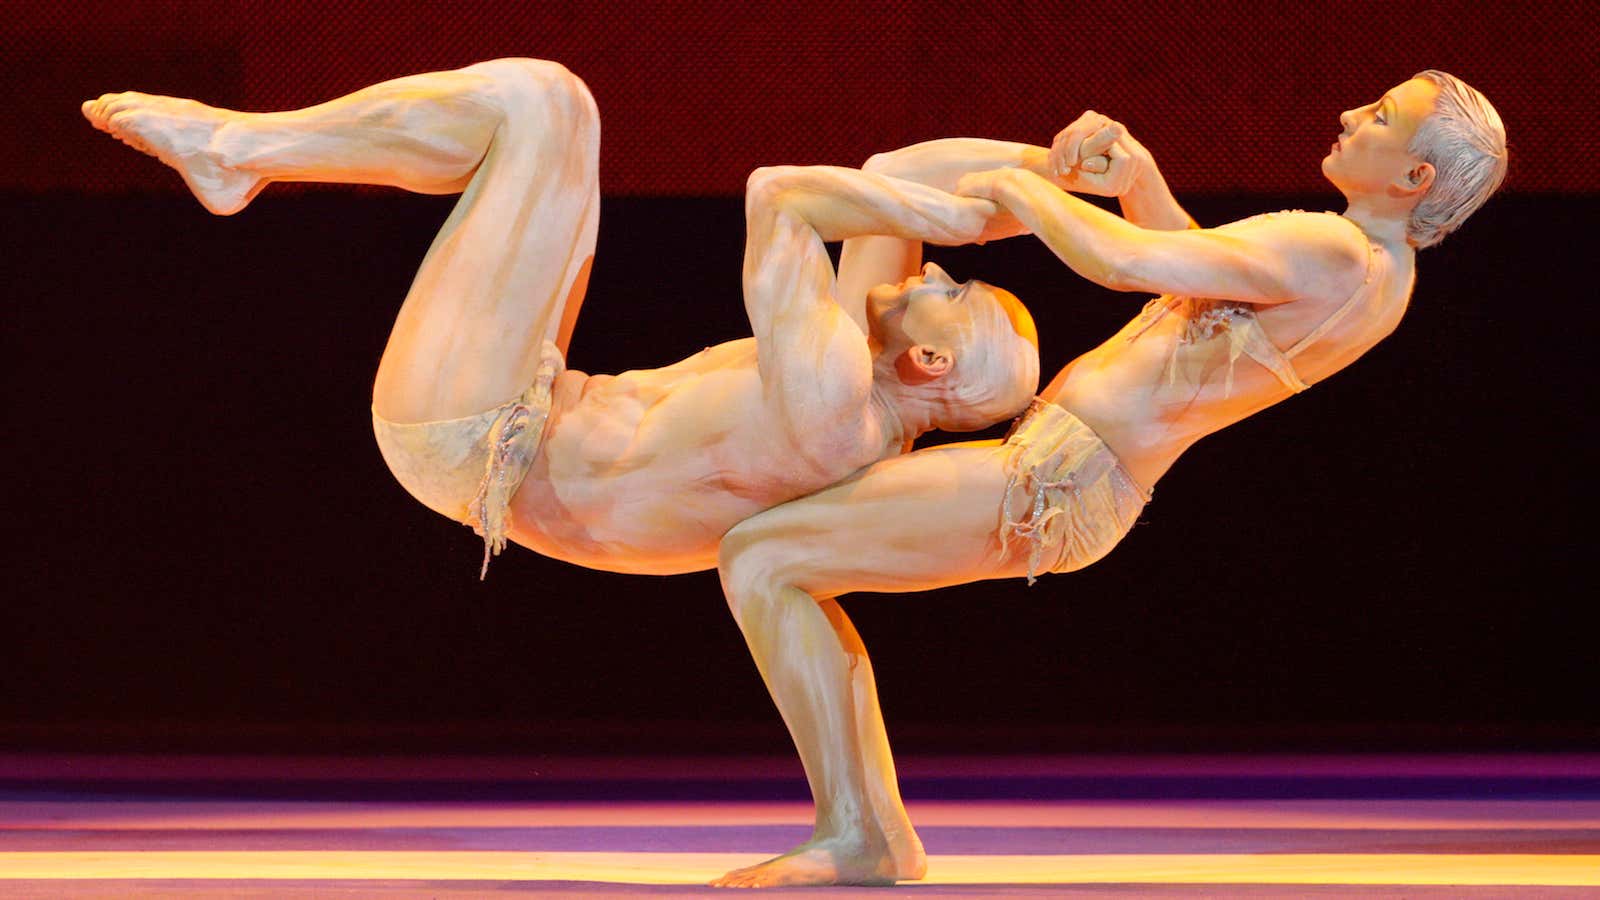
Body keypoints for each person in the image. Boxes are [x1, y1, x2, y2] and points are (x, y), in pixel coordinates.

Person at [712, 71, 1507, 887]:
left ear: (1416, 179)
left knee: (763, 560)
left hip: (1052, 482)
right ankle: (864, 831)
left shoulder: (1338, 250)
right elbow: (1196, 281)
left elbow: (1126, 263)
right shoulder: (1377, 276)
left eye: (1379, 116)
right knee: (773, 547)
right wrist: (1138, 181)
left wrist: (1016, 184)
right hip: (1065, 480)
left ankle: (861, 833)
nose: (1349, 114)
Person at [80, 58, 1043, 579]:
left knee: (542, 103)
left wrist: (958, 213)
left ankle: (237, 151)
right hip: (526, 405)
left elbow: (779, 197)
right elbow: (898, 179)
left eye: (955, 296)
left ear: (927, 361)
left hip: (480, 436)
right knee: (547, 110)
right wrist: (1066, 176)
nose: (941, 270)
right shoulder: (860, 370)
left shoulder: (840, 402)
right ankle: (241, 152)